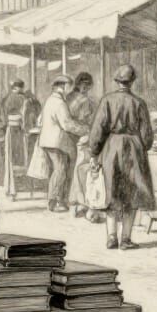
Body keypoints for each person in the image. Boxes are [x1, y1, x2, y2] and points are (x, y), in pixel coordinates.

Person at [87, 64, 155, 250]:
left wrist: (94, 153)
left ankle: (111, 237)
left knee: (112, 191)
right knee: (131, 193)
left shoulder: (107, 100)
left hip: (111, 148)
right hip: (134, 150)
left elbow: (98, 129)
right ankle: (125, 239)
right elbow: (147, 135)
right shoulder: (139, 103)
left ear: (117, 81)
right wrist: (142, 146)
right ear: (132, 82)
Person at [35, 74, 88, 213]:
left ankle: (57, 201)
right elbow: (67, 124)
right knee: (60, 170)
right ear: (63, 86)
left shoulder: (50, 100)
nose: (70, 89)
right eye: (69, 86)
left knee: (59, 170)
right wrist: (86, 130)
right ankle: (54, 202)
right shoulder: (59, 103)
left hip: (48, 140)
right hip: (55, 142)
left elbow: (39, 120)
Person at [66, 72, 99, 218]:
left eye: (87, 85)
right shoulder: (84, 100)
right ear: (78, 84)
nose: (85, 88)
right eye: (83, 85)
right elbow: (86, 120)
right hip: (80, 136)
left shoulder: (69, 97)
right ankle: (81, 202)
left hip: (70, 136)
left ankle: (77, 203)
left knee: (75, 170)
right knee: (80, 169)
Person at [3, 78, 41, 195]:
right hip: (19, 132)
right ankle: (24, 186)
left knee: (15, 158)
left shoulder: (8, 98)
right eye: (20, 87)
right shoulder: (23, 99)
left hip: (14, 131)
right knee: (22, 158)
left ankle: (15, 186)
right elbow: (27, 116)